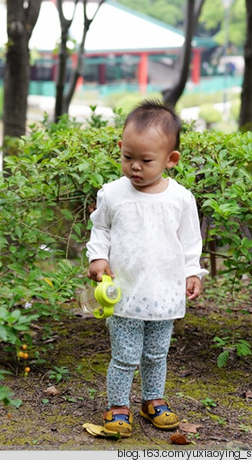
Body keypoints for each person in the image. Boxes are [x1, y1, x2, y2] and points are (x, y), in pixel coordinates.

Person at [85, 99, 207, 437]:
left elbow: (189, 242)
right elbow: (101, 229)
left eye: (146, 160)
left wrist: (192, 272)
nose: (135, 167)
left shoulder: (180, 199)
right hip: (124, 291)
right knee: (124, 356)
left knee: (156, 353)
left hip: (164, 293)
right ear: (120, 149)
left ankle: (153, 400)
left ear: (171, 160)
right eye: (128, 157)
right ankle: (118, 406)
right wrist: (98, 257)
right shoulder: (113, 194)